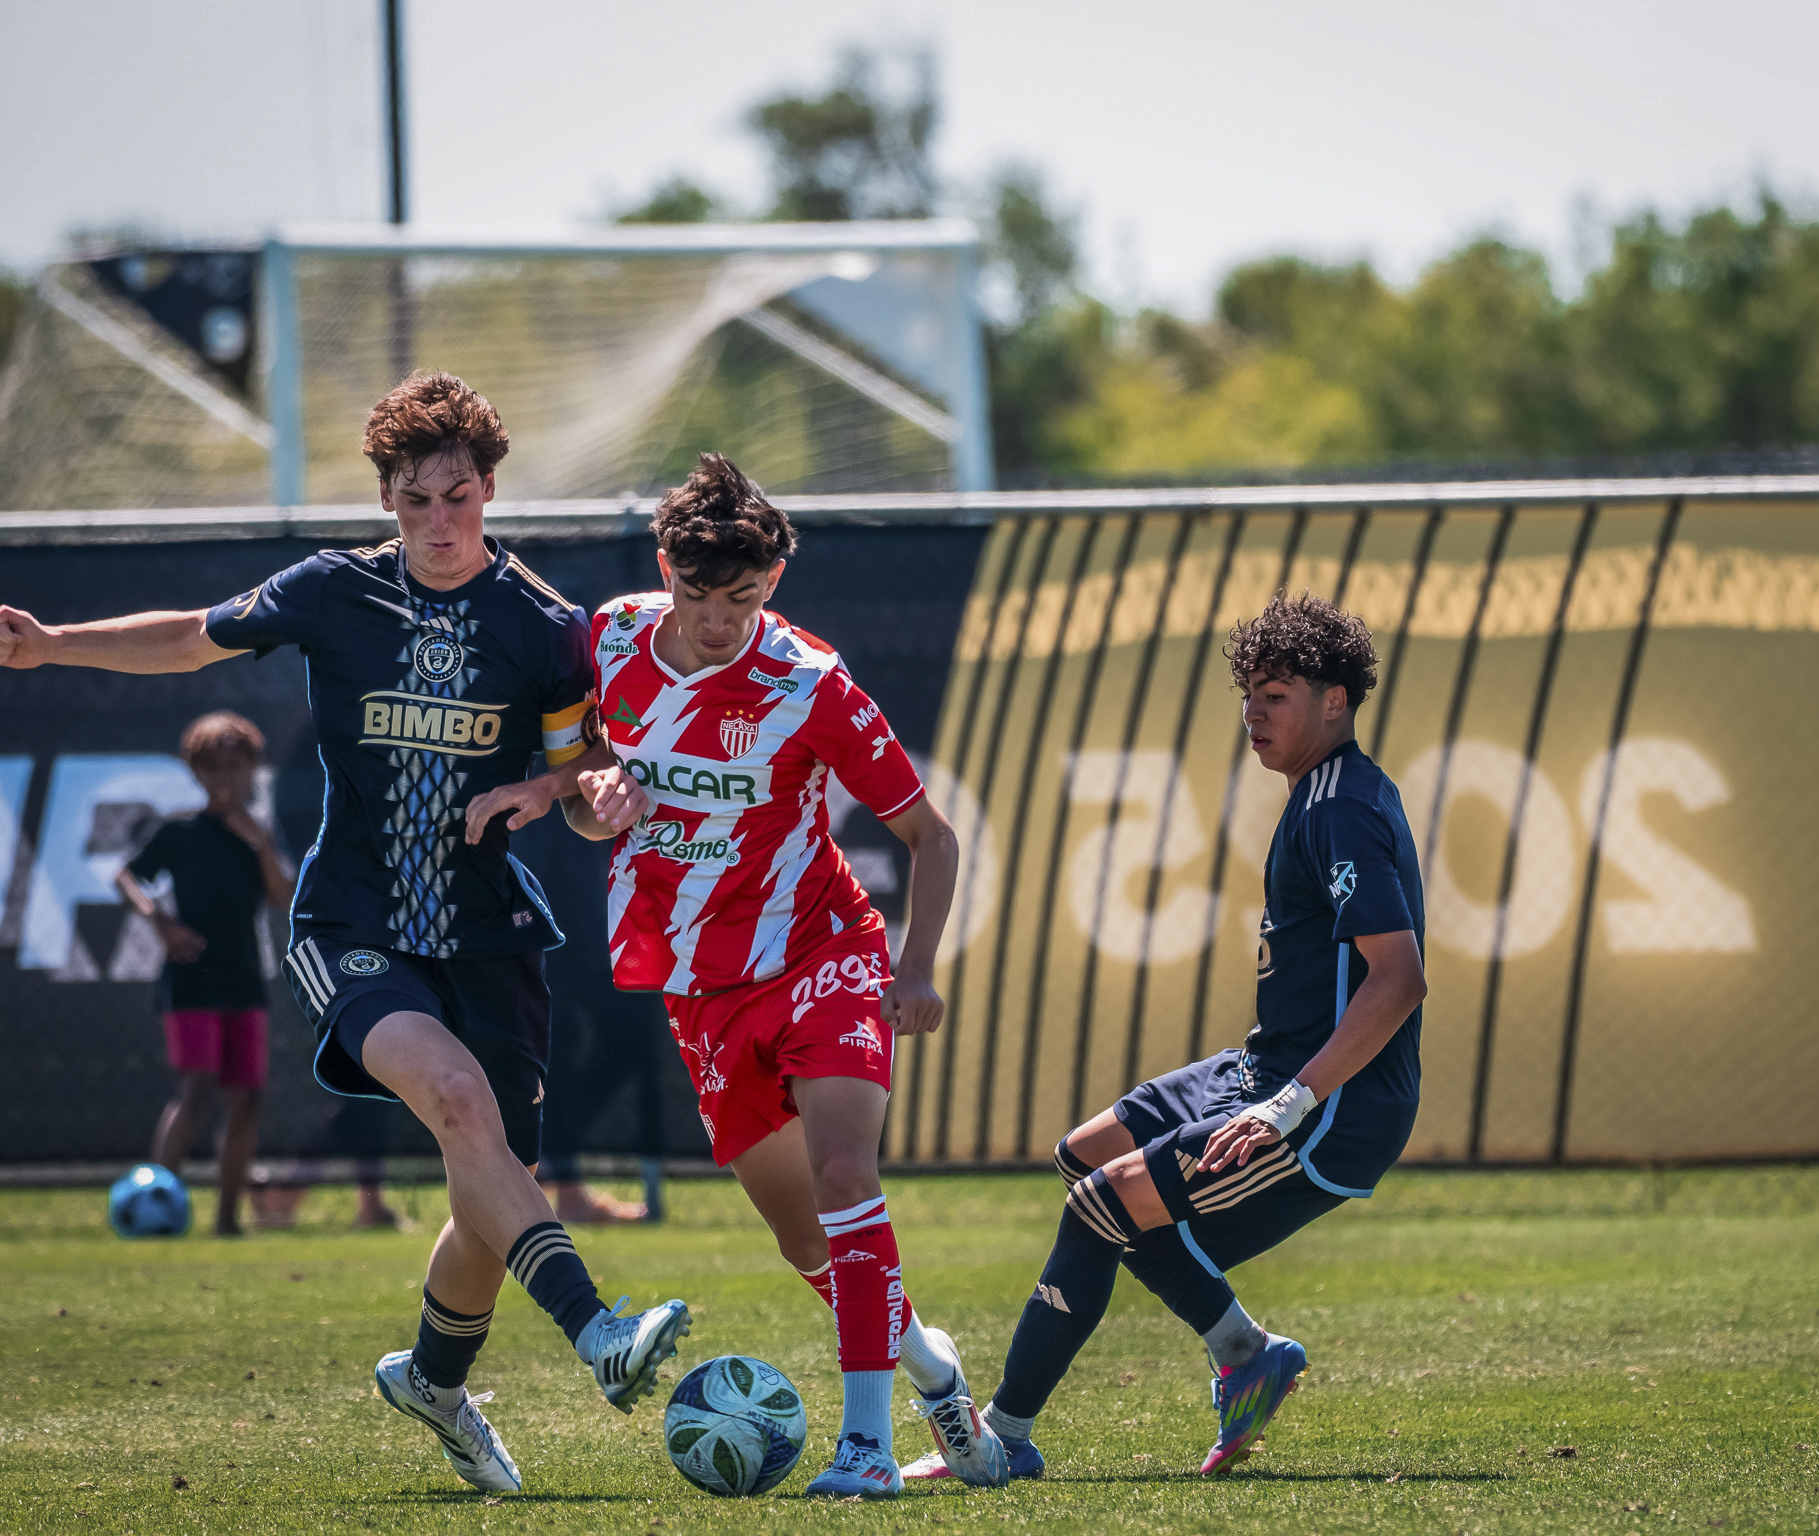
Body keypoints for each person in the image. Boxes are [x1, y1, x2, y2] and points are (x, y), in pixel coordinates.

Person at [0, 370, 687, 1498]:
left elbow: (576, 775)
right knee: (461, 1106)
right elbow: (189, 639)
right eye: (413, 502)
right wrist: (51, 643)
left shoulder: (546, 628)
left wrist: (596, 797)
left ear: (489, 489)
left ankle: (432, 1379)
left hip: (490, 933)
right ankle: (599, 1329)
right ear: (386, 502)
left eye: (456, 497)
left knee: (490, 1181)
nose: (437, 522)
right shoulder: (330, 591)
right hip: (352, 920)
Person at [925, 591, 1428, 1481]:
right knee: (1087, 1159)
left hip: (1334, 1100)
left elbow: (1399, 979)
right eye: (1249, 694)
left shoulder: (1341, 807)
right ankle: (1245, 1352)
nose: (1254, 713)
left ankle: (1003, 1434)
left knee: (1099, 1211)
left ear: (1336, 700)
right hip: (1263, 1063)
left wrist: (1288, 1104)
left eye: (1277, 694)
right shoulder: (1318, 795)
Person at [583, 453, 1006, 1498]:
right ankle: (931, 1368)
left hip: (823, 954)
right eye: (700, 596)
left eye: (744, 596)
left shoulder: (810, 684)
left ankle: (865, 1449)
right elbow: (586, 771)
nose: (720, 619)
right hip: (700, 984)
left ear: (773, 579)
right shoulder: (608, 637)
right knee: (800, 1237)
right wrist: (585, 799)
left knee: (844, 1178)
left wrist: (914, 970)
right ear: (662, 571)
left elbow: (931, 837)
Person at [114, 710, 295, 1237]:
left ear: (251, 770)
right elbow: (128, 876)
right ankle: (156, 1205)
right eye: (212, 768)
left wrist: (260, 843)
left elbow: (283, 897)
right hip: (191, 981)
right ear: (195, 772)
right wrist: (160, 922)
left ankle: (226, 1221)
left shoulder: (257, 834)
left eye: (235, 767)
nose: (225, 778)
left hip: (243, 980)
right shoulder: (180, 831)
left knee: (248, 1099)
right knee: (196, 1091)